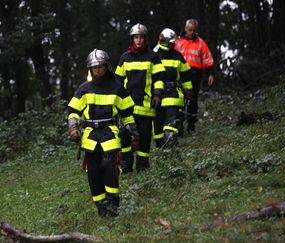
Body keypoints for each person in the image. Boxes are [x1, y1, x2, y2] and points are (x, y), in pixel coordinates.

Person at [67, 49, 139, 217]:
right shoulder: (84, 89)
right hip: (91, 137)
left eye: (100, 66)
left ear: (107, 66)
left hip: (110, 135)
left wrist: (135, 135)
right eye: (94, 67)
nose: (97, 70)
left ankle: (113, 205)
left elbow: (128, 114)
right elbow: (72, 111)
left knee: (109, 168)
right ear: (90, 69)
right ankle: (101, 207)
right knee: (93, 172)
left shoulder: (117, 88)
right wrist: (73, 128)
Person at [115, 23, 165, 173]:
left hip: (146, 106)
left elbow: (159, 77)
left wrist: (157, 93)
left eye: (141, 37)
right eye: (136, 37)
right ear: (132, 39)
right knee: (125, 136)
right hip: (127, 107)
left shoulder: (153, 57)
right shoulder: (124, 57)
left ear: (145, 39)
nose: (138, 40)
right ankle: (126, 165)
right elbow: (117, 81)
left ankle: (142, 166)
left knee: (144, 138)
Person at [152, 28, 193, 148]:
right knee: (158, 123)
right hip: (156, 95)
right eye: (171, 42)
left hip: (173, 94)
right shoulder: (154, 56)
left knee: (171, 122)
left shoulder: (178, 56)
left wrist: (188, 90)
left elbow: (186, 76)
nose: (173, 44)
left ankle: (170, 144)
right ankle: (160, 146)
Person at [175, 18, 215, 132]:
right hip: (180, 74)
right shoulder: (177, 42)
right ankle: (179, 125)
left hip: (195, 74)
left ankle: (191, 125)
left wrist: (210, 74)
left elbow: (208, 59)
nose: (191, 32)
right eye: (189, 30)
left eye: (194, 30)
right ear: (185, 29)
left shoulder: (201, 43)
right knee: (179, 99)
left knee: (192, 100)